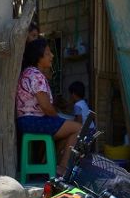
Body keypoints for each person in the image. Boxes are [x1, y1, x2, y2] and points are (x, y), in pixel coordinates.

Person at [17, 38, 82, 175]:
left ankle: (49, 166)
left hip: (26, 122)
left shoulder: (28, 73)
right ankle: (62, 168)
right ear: (38, 57)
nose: (52, 56)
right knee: (78, 128)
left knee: (66, 130)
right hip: (34, 122)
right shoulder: (36, 76)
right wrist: (58, 119)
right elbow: (46, 107)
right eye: (47, 53)